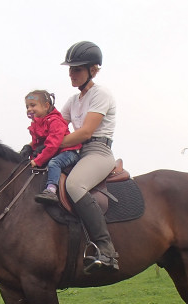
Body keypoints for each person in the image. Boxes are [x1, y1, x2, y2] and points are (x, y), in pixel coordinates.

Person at [58, 41, 119, 273]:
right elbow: (57, 125)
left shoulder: (100, 93)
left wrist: (54, 144)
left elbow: (85, 132)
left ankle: (107, 250)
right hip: (77, 152)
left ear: (92, 70)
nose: (71, 74)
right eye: (70, 69)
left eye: (77, 69)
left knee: (74, 184)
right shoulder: (73, 101)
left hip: (98, 151)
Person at [20, 90, 82, 204]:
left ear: (46, 106)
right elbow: (36, 143)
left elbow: (53, 144)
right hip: (52, 153)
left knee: (54, 163)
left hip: (68, 153)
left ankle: (51, 190)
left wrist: (37, 160)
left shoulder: (55, 121)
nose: (29, 109)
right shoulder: (35, 124)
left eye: (33, 105)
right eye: (27, 106)